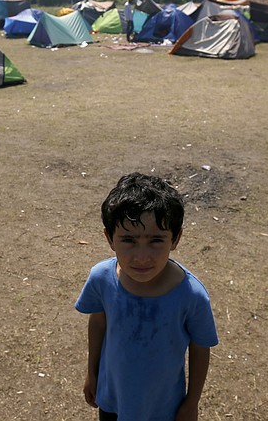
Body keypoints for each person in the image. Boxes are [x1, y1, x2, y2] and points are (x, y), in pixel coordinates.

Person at [76, 172, 218, 421]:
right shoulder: (101, 278)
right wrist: (92, 371)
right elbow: (98, 323)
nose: (142, 257)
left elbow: (200, 348)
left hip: (163, 408)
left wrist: (191, 402)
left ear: (175, 239)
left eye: (156, 240)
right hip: (112, 398)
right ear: (109, 239)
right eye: (128, 240)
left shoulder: (191, 295)